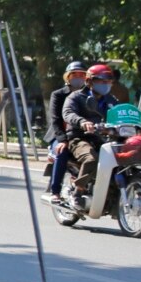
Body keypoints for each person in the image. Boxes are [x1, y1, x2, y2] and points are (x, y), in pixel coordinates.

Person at [62, 63, 141, 206]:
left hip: (102, 138)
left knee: (123, 159)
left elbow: (121, 115)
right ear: (90, 81)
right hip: (80, 138)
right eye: (102, 81)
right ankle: (77, 192)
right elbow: (68, 113)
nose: (106, 85)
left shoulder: (111, 99)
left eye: (108, 82)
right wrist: (82, 122)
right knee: (91, 159)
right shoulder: (76, 97)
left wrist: (140, 124)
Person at [43, 61, 85, 204]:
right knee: (62, 151)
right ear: (68, 77)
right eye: (75, 74)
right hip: (61, 134)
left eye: (82, 75)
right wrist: (62, 140)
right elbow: (55, 120)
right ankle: (55, 191)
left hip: (82, 134)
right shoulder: (58, 95)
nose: (79, 77)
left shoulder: (88, 95)